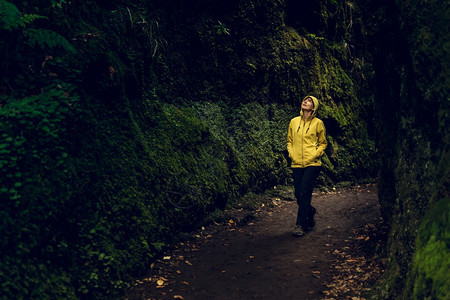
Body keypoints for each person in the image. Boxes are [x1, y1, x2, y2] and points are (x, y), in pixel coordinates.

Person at [287, 95, 327, 236]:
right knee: (298, 194)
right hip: (296, 163)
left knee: (305, 192)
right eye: (305, 100)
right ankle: (310, 212)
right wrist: (291, 153)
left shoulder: (318, 123)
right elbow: (289, 141)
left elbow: (323, 143)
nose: (305, 101)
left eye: (309, 101)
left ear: (313, 107)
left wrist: (315, 154)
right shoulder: (293, 121)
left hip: (313, 163)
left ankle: (300, 225)